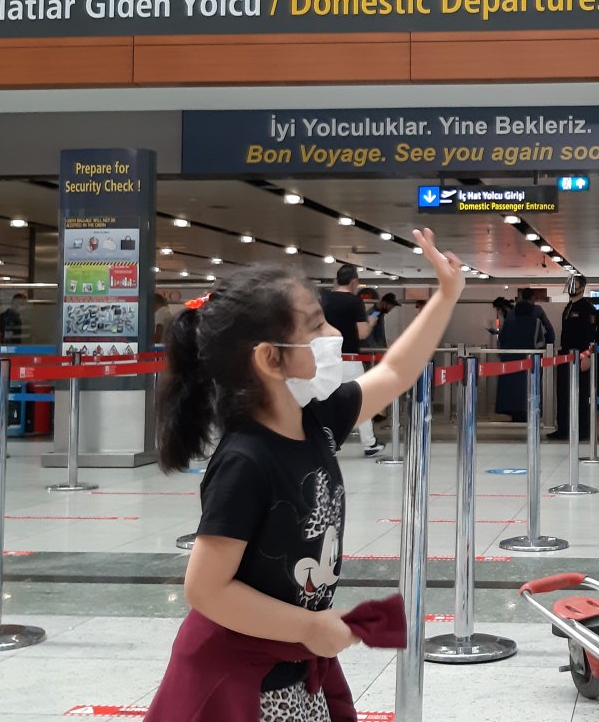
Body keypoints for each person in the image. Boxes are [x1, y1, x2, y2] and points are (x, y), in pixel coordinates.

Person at [153, 228, 466, 721]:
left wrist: (447, 296)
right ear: (269, 358)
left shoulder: (315, 419)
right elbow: (206, 589)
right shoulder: (245, 461)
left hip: (292, 663)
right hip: (241, 677)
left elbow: (394, 373)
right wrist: (307, 626)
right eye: (316, 327)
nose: (333, 337)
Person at [319, 265, 380, 457]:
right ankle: (369, 443)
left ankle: (325, 442)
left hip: (325, 357)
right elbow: (362, 333)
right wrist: (371, 323)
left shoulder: (323, 299)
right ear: (354, 282)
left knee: (324, 400)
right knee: (360, 400)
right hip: (348, 360)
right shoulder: (354, 302)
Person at [494, 292, 549, 423]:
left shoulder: (509, 322)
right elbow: (541, 342)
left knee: (510, 390)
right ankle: (526, 413)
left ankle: (513, 414)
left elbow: (501, 339)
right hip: (528, 362)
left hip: (509, 361)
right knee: (527, 390)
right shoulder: (536, 323)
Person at [554, 277, 597, 440]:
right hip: (565, 355)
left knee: (580, 393)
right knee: (563, 392)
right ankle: (563, 428)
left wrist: (586, 355)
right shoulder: (568, 307)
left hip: (580, 355)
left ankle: (582, 429)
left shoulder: (587, 308)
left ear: (583, 287)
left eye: (576, 285)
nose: (572, 288)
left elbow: (590, 334)